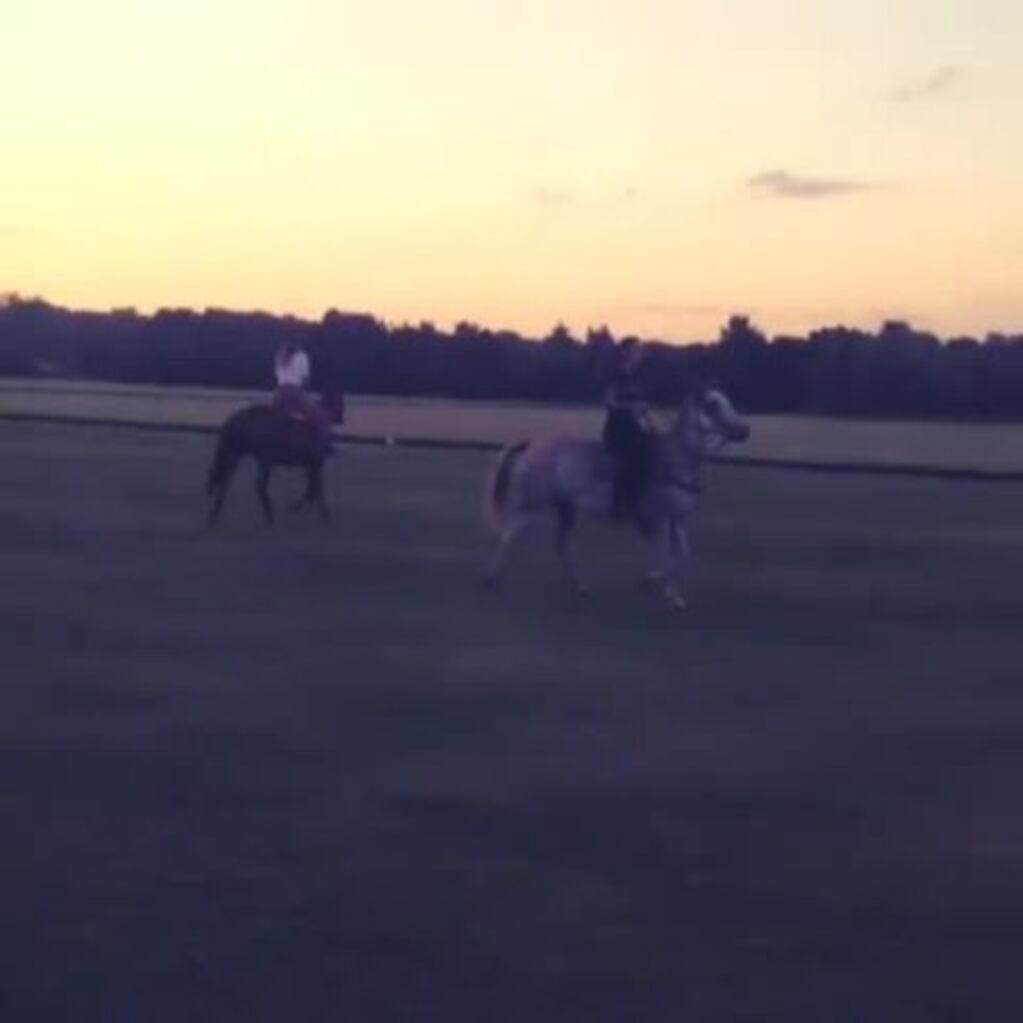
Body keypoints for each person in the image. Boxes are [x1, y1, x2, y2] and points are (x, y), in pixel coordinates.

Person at [602, 338, 654, 520]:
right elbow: (609, 402)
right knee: (628, 460)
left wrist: (647, 415)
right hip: (619, 428)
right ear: (626, 352)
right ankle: (619, 506)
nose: (640, 353)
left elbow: (640, 402)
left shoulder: (639, 377)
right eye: (636, 350)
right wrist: (630, 408)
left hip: (638, 426)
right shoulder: (615, 375)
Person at [273, 340, 333, 452]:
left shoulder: (280, 356)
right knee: (320, 416)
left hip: (279, 392)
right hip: (294, 392)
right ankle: (324, 445)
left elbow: (277, 376)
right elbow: (305, 380)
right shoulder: (302, 356)